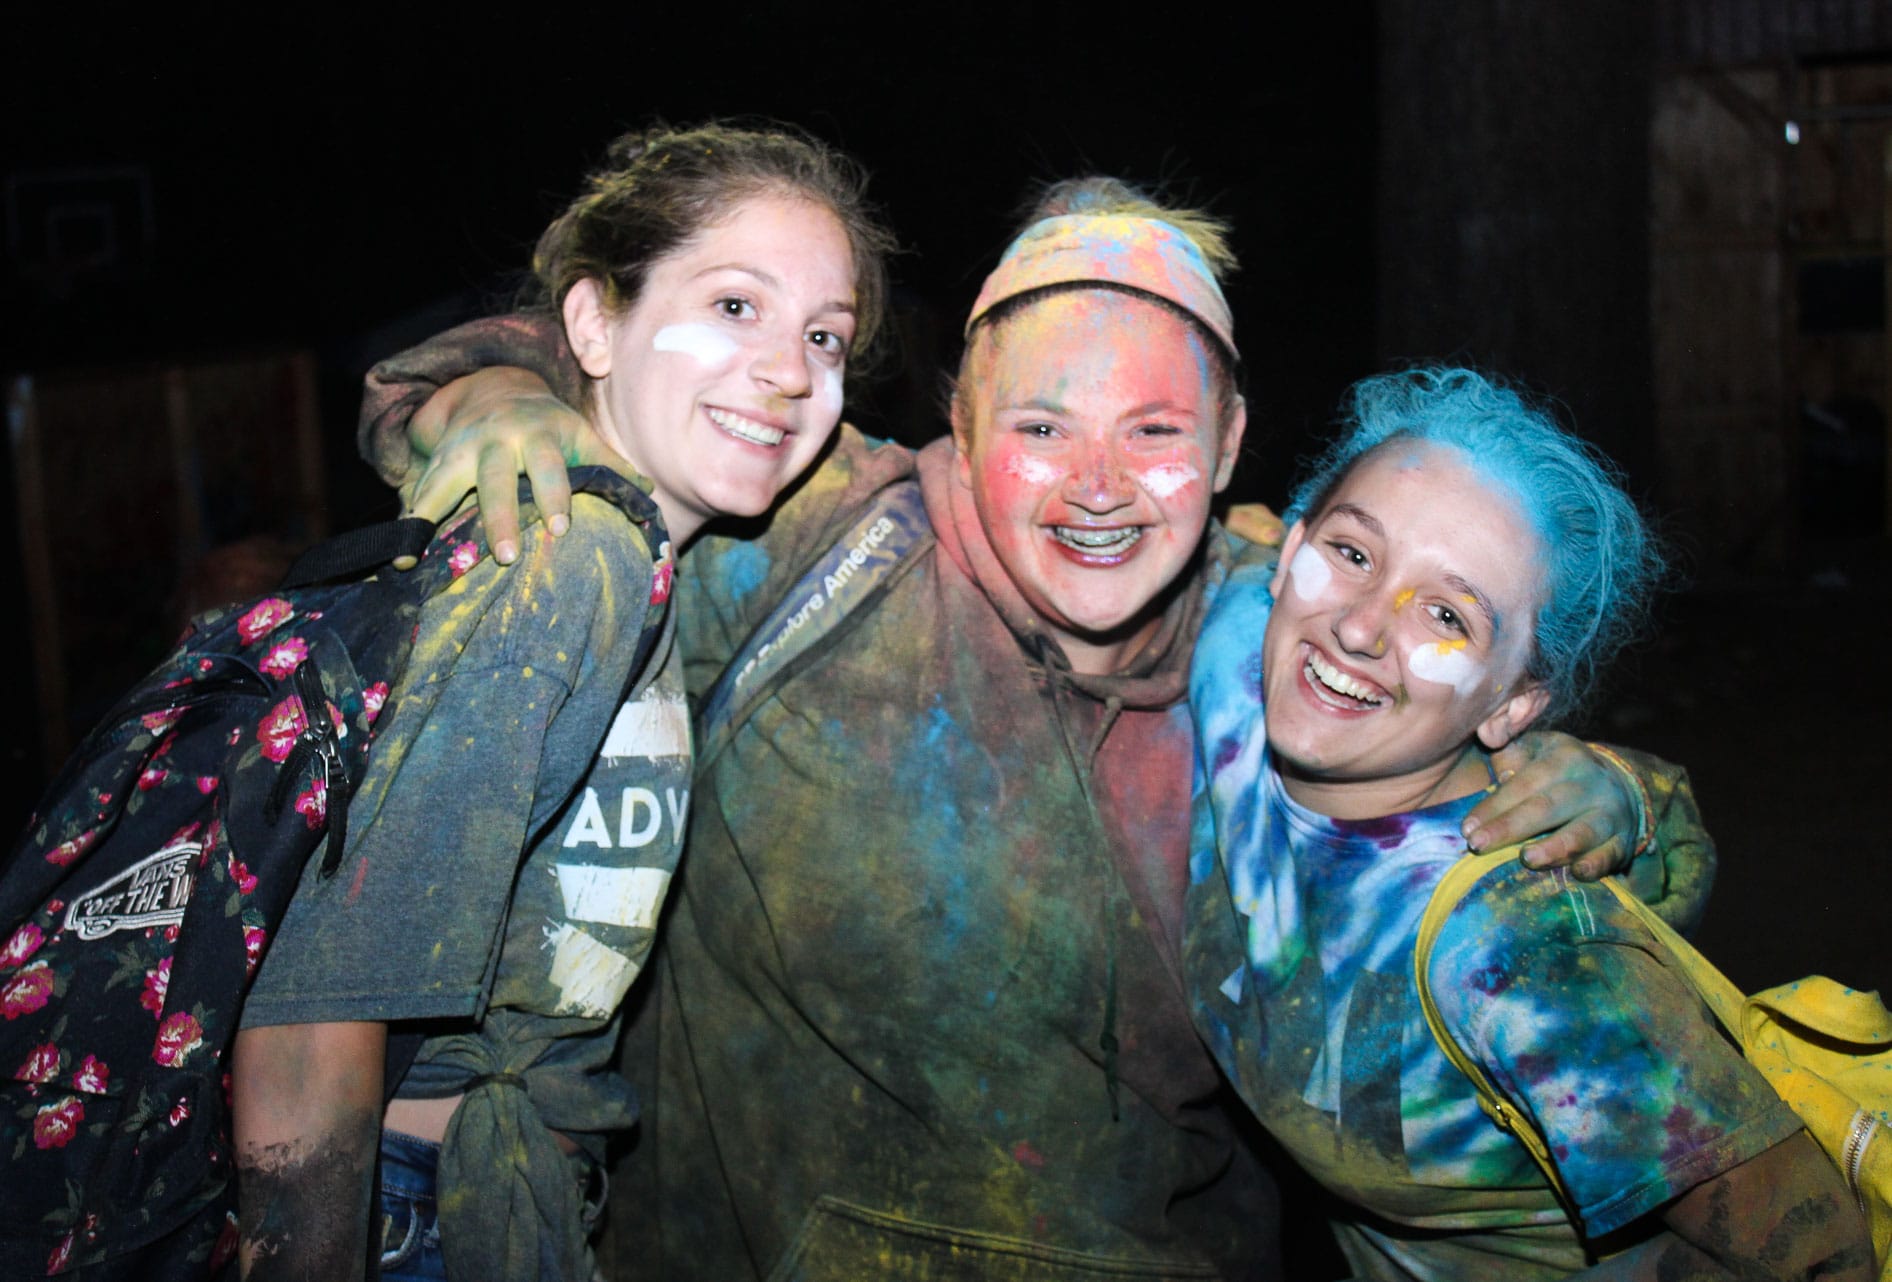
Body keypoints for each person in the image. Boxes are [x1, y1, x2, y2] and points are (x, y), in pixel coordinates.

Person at [359, 182, 1706, 1280]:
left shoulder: (1282, 643)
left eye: (1154, 429)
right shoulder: (805, 541)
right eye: (1043, 425)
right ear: (958, 417)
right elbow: (602, 370)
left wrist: (1619, 804)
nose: (1098, 488)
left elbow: (1558, 845)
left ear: (1229, 442)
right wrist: (496, 397)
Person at [230, 122, 895, 1282]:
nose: (789, 370)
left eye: (822, 334)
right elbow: (312, 1002)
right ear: (591, 324)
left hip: (492, 1194)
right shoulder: (566, 555)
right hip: (408, 1212)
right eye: (734, 305)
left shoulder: (642, 554)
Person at [1185, 367, 1871, 1279]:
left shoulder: (1521, 956)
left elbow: (1824, 1257)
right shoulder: (1233, 644)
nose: (1359, 628)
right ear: (1291, 549)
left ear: (1513, 705)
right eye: (1353, 553)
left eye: (1447, 614)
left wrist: (1637, 799)